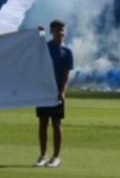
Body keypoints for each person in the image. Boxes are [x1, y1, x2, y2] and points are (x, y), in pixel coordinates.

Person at [34, 20, 73, 168]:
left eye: (62, 30)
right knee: (43, 123)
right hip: (43, 91)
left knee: (56, 124)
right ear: (52, 32)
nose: (60, 33)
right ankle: (43, 155)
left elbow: (66, 74)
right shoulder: (46, 47)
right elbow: (36, 45)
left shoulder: (67, 52)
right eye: (57, 30)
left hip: (56, 93)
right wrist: (39, 34)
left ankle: (56, 157)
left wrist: (62, 91)